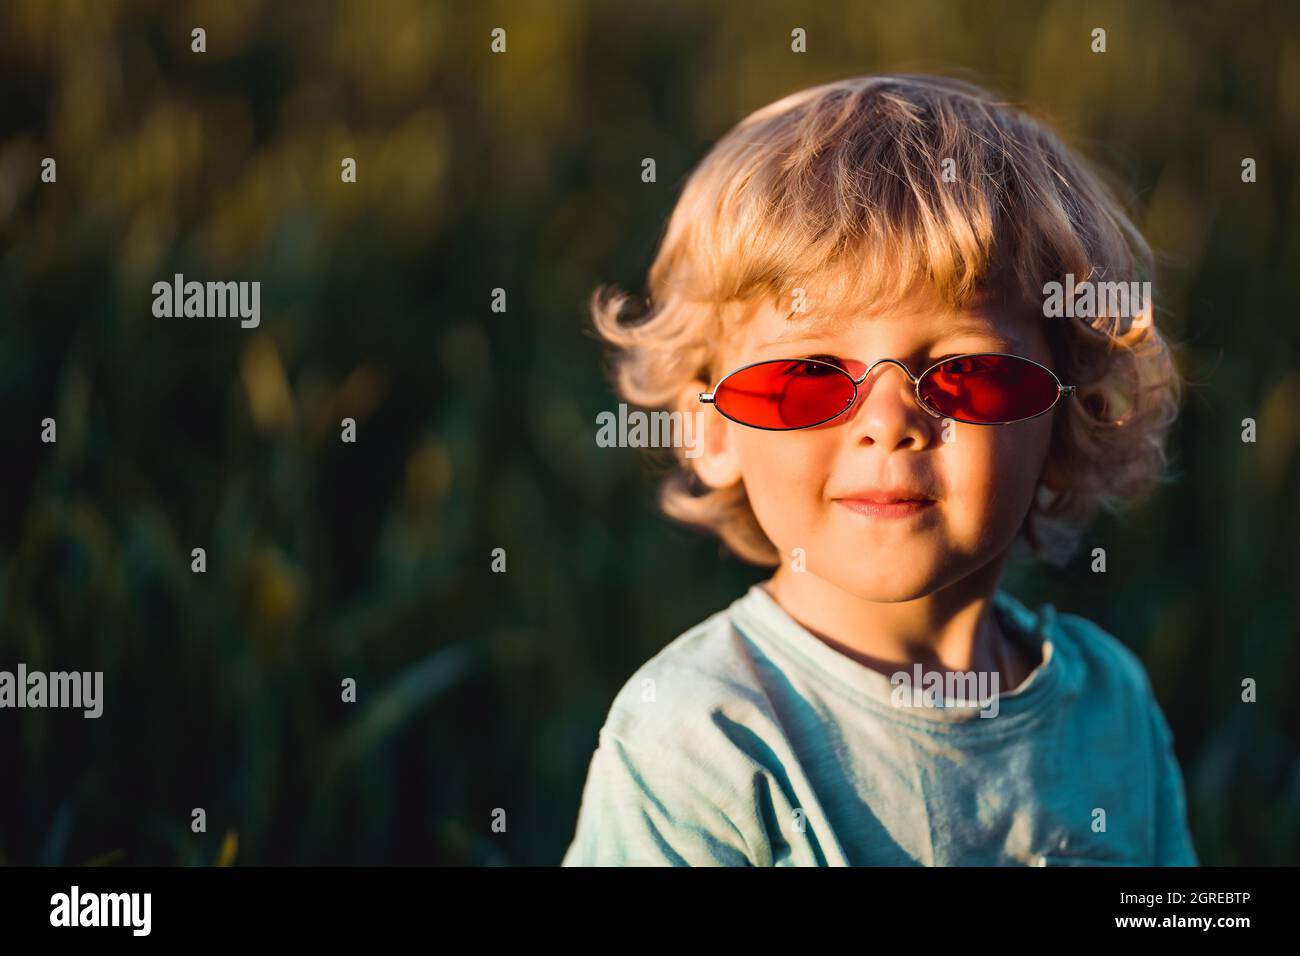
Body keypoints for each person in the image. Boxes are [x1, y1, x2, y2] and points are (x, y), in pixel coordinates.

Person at [562, 74, 1195, 866]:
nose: (889, 424)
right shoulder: (702, 739)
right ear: (711, 431)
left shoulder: (1112, 708)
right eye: (807, 378)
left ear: (1071, 422)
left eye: (967, 372)